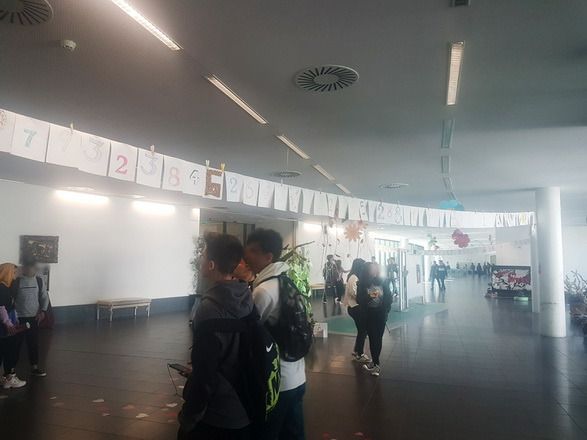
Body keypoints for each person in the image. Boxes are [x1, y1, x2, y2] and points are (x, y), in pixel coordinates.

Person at [178, 234, 254, 439]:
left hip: (217, 414)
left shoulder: (208, 309)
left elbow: (205, 374)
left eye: (203, 256)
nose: (200, 259)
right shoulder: (247, 297)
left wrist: (189, 416)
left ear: (211, 265)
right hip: (245, 403)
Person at [245, 229, 306, 440]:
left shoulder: (264, 291)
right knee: (294, 434)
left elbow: (249, 331)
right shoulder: (286, 282)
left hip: (278, 383)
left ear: (268, 257)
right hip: (297, 377)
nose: (247, 256)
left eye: (254, 251)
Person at [13, 259, 49, 377]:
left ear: (35, 269)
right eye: (26, 267)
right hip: (18, 319)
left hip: (34, 318)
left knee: (33, 344)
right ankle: (11, 370)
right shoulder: (16, 281)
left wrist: (43, 311)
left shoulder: (39, 281)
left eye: (31, 267)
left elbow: (44, 297)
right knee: (16, 345)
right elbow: (11, 299)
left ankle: (34, 367)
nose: (29, 269)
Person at [356, 262, 392, 377]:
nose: (374, 271)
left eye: (376, 268)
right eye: (372, 269)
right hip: (369, 314)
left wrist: (386, 310)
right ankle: (376, 363)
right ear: (367, 270)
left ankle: (376, 363)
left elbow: (389, 297)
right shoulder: (362, 283)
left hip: (381, 314)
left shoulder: (383, 281)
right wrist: (369, 296)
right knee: (372, 338)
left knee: (378, 338)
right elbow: (359, 300)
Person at [0, 263, 27, 389]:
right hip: (4, 328)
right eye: (14, 273)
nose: (15, 276)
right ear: (7, 273)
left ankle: (6, 378)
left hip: (6, 326)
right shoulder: (2, 288)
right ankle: (9, 378)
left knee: (5, 351)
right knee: (9, 351)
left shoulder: (6, 287)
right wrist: (8, 323)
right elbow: (1, 308)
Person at [343, 258, 369, 363]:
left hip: (355, 307)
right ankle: (359, 354)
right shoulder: (353, 278)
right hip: (355, 307)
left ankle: (357, 351)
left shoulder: (356, 277)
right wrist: (368, 295)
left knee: (362, 330)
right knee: (363, 330)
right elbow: (355, 294)